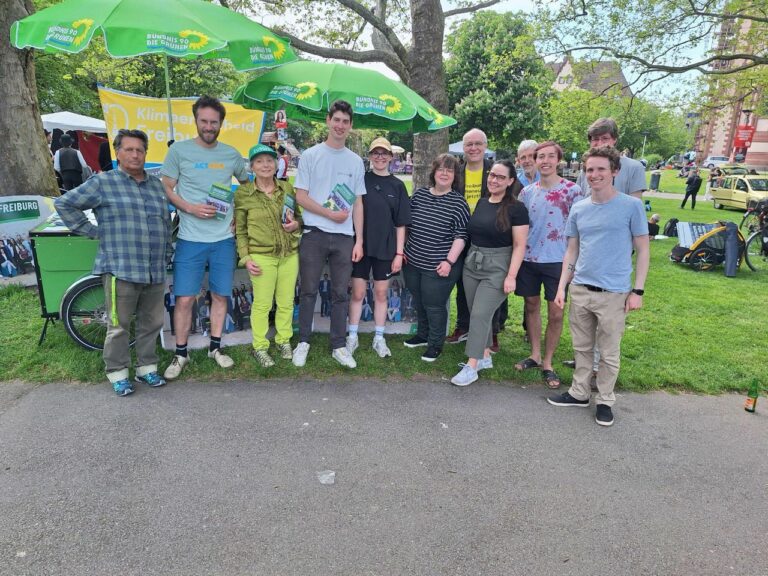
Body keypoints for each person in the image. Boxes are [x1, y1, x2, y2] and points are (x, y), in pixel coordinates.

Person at [54, 129, 171, 396]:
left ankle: (146, 369)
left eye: (139, 150)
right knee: (119, 326)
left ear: (145, 153)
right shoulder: (103, 183)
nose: (134, 154)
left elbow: (164, 222)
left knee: (151, 322)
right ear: (118, 152)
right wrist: (92, 231)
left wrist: (166, 254)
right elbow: (64, 204)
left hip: (154, 269)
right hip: (121, 268)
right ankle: (118, 373)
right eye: (128, 149)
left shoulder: (156, 185)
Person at [547, 146, 650, 427]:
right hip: (581, 288)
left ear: (614, 171)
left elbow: (643, 250)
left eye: (601, 169)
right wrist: (561, 288)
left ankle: (605, 400)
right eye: (590, 169)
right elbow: (571, 250)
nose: (594, 175)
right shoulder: (579, 208)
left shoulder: (631, 206)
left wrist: (637, 291)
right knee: (581, 347)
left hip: (614, 293)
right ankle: (579, 392)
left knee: (608, 352)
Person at [161, 95, 249, 380]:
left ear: (221, 123)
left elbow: (247, 186)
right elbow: (167, 188)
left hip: (223, 239)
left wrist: (239, 214)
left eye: (214, 122)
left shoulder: (232, 154)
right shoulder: (179, 152)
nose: (209, 126)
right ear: (196, 120)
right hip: (189, 238)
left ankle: (215, 348)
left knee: (220, 295)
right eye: (204, 121)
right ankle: (181, 354)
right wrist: (189, 207)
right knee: (185, 299)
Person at [292, 100, 366, 369]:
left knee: (339, 293)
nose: (340, 125)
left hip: (345, 237)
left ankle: (338, 344)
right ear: (328, 121)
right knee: (308, 290)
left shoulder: (356, 161)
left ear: (350, 126)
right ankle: (303, 342)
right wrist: (328, 213)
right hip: (314, 234)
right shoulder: (310, 155)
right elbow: (301, 196)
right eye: (336, 120)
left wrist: (359, 240)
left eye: (345, 122)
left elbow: (358, 202)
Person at [450, 160, 529, 386]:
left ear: (511, 181)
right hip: (473, 263)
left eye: (501, 177)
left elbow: (520, 245)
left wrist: (511, 275)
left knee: (479, 315)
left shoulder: (517, 208)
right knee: (477, 311)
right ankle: (484, 356)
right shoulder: (483, 203)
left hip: (498, 266)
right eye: (492, 175)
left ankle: (471, 365)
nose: (494, 180)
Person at [514, 141, 583, 388]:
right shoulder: (526, 192)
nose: (544, 161)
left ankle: (548, 362)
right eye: (540, 156)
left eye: (550, 156)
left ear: (558, 160)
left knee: (556, 312)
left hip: (559, 261)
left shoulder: (573, 191)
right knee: (531, 306)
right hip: (530, 259)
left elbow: (579, 233)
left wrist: (574, 264)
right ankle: (534, 353)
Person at [235, 143, 302, 367]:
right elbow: (241, 230)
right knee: (262, 305)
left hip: (289, 254)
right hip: (261, 256)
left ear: (276, 164)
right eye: (259, 161)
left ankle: (284, 340)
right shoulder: (244, 193)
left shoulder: (287, 188)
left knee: (286, 302)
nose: (265, 165)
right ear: (252, 166)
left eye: (270, 160)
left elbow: (299, 219)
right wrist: (246, 257)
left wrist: (296, 226)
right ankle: (260, 346)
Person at [347, 137, 411, 359]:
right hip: (360, 246)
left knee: (382, 293)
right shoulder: (360, 180)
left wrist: (399, 253)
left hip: (386, 248)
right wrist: (358, 242)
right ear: (370, 156)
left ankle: (379, 338)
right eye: (376, 152)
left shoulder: (398, 185)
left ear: (391, 157)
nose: (380, 157)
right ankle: (352, 337)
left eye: (384, 153)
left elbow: (401, 223)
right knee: (358, 292)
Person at [403, 153, 470, 362]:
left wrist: (449, 262)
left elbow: (461, 236)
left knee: (434, 305)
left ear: (455, 176)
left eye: (449, 170)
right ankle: (423, 335)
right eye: (441, 169)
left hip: (440, 265)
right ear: (434, 172)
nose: (444, 173)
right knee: (420, 301)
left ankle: (435, 344)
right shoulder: (419, 195)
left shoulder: (459, 203)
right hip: (413, 261)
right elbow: (406, 224)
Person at [445, 128, 491, 346]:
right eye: (469, 144)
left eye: (478, 144)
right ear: (463, 148)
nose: (473, 148)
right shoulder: (457, 173)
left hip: (488, 237)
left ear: (485, 146)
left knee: (490, 284)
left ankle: (493, 333)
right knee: (463, 282)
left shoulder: (495, 171)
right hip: (460, 235)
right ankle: (463, 326)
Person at [576, 118, 646, 199]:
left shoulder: (634, 167)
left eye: (605, 138)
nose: (600, 143)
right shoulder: (586, 168)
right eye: (595, 139)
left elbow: (635, 204)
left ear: (614, 139)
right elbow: (579, 200)